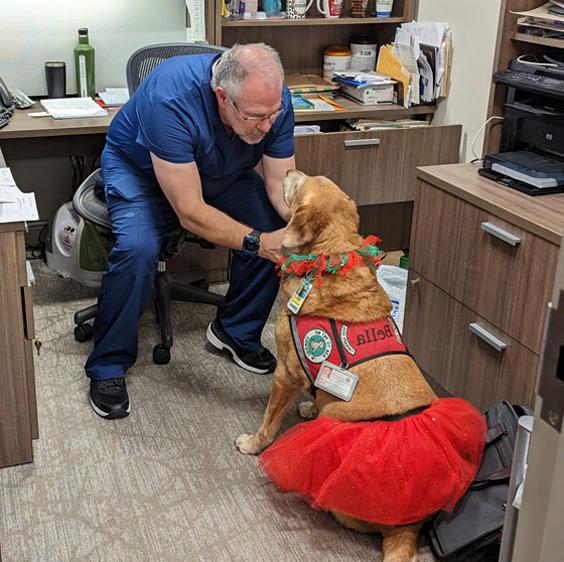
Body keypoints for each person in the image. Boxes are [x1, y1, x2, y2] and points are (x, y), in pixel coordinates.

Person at [86, 43, 295, 419]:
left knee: (277, 228)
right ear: (222, 96)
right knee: (137, 249)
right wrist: (259, 243)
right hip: (142, 174)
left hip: (217, 171)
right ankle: (108, 365)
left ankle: (236, 331)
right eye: (255, 117)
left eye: (272, 115)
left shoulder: (270, 99)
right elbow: (191, 211)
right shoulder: (170, 97)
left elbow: (280, 185)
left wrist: (301, 227)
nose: (267, 126)